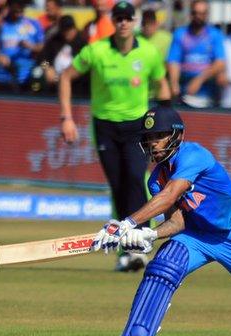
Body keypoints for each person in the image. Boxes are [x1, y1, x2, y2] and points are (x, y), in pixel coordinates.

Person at [91, 106, 231, 336]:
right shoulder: (156, 178)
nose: (153, 143)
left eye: (159, 136)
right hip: (196, 236)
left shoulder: (194, 155)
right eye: (148, 138)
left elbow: (170, 196)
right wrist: (151, 234)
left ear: (177, 135)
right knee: (163, 267)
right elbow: (177, 221)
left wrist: (127, 223)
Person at [59, 1, 170, 271]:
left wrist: (165, 122)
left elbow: (163, 86)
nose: (122, 23)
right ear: (113, 21)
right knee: (118, 185)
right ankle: (127, 247)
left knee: (135, 178)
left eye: (127, 18)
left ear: (134, 22)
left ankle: (140, 242)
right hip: (105, 126)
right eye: (118, 18)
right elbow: (65, 77)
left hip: (137, 126)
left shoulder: (149, 52)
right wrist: (67, 118)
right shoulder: (96, 51)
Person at [167, 0, 225, 108]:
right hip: (184, 94)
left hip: (208, 96)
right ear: (190, 13)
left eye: (202, 13)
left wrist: (199, 79)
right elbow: (173, 61)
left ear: (207, 15)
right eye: (195, 13)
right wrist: (174, 83)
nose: (198, 16)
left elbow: (220, 63)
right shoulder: (180, 34)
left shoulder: (215, 35)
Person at [0, 0, 44, 93]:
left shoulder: (33, 23)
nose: (19, 6)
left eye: (22, 4)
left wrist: (31, 46)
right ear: (10, 5)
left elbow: (42, 47)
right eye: (17, 3)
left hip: (26, 79)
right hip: (1, 79)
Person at [36, 15, 86, 94]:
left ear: (74, 29)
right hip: (54, 81)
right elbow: (41, 58)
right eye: (64, 30)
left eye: (69, 29)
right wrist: (47, 68)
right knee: (37, 75)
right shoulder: (54, 41)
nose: (67, 33)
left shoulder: (82, 43)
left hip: (76, 84)